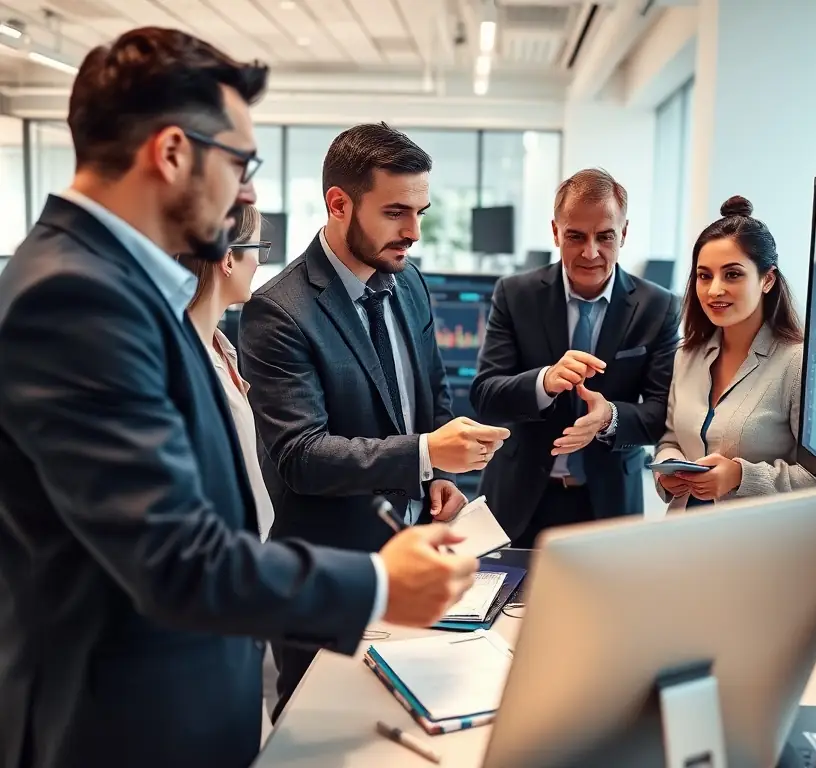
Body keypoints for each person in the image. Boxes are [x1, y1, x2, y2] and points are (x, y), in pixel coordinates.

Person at [0, 29, 476, 768]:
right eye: (242, 163)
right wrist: (381, 582)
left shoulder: (119, 284)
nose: (249, 191)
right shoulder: (76, 296)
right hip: (126, 728)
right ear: (170, 153)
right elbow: (175, 556)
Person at [238, 122, 510, 721]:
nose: (414, 232)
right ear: (339, 204)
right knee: (318, 733)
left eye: (421, 211)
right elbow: (300, 457)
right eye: (395, 212)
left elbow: (430, 392)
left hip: (417, 561)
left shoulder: (408, 279)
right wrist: (424, 454)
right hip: (333, 574)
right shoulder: (277, 312)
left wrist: (440, 480)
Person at [469, 168, 682, 548]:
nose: (590, 252)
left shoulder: (659, 307)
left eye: (605, 237)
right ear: (555, 232)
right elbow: (486, 395)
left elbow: (659, 413)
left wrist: (610, 417)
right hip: (518, 501)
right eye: (575, 236)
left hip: (608, 504)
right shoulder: (515, 294)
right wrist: (544, 381)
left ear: (624, 234)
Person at [176, 204, 280, 719]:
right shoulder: (181, 365)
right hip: (215, 592)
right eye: (258, 249)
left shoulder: (221, 346)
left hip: (246, 582)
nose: (261, 264)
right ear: (227, 260)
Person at [653, 195, 816, 510]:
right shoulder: (687, 354)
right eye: (704, 275)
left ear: (767, 279)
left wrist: (741, 477)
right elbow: (672, 437)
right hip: (685, 537)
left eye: (732, 274)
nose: (714, 290)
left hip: (754, 545)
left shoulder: (797, 363)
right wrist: (668, 466)